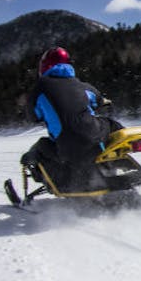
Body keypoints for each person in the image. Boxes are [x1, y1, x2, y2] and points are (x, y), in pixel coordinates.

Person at [21, 47, 122, 188]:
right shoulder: (82, 86)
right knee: (111, 124)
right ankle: (116, 157)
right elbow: (99, 101)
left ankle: (61, 182)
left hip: (66, 148)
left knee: (39, 148)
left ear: (43, 67)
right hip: (95, 141)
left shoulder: (39, 89)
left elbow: (33, 116)